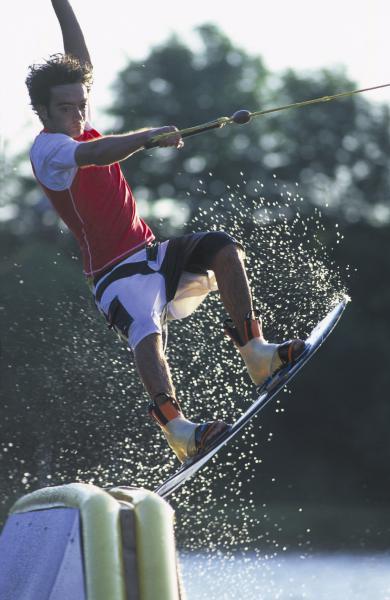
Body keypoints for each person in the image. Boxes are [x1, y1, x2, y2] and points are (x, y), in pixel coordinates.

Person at [26, 0, 305, 464]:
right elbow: (99, 156)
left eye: (82, 105)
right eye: (66, 108)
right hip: (115, 275)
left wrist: (62, 4)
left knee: (222, 247)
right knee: (146, 328)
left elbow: (79, 60)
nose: (78, 115)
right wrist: (147, 136)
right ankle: (178, 429)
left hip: (151, 252)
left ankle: (257, 353)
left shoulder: (75, 118)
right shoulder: (50, 151)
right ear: (43, 112)